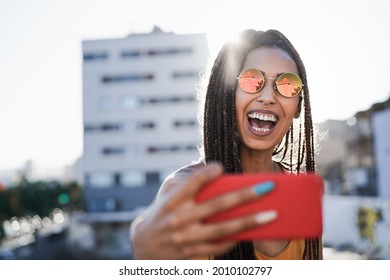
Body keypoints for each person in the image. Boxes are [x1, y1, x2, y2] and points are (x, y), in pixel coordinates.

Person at [130, 29, 323, 260]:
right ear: (227, 94)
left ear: (298, 105)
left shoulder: (302, 196)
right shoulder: (187, 191)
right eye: (252, 80)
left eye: (287, 84)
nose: (268, 97)